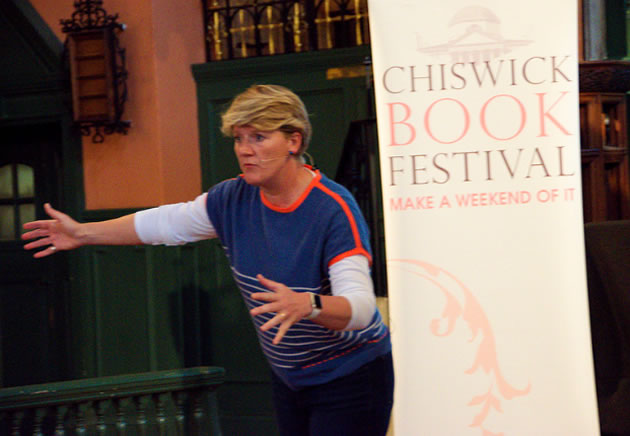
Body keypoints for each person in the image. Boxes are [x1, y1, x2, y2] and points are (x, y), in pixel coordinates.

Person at [22, 84, 394, 436]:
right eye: (239, 138)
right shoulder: (231, 199)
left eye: (259, 137)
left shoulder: (332, 209)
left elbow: (361, 309)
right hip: (291, 376)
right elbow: (165, 223)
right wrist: (83, 233)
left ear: (293, 141)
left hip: (353, 374)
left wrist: (308, 305)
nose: (245, 150)